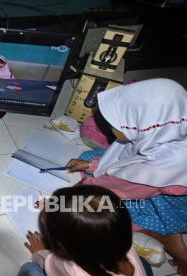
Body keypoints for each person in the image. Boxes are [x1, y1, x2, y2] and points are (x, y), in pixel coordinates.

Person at [67, 78, 187, 275]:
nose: (109, 128)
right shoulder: (167, 130)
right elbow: (125, 161)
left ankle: (177, 249)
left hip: (167, 204)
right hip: (159, 186)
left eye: (115, 124)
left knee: (101, 212)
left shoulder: (158, 167)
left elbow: (106, 189)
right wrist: (92, 165)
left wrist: (65, 199)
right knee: (88, 158)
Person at [18, 185, 148, 276]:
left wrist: (39, 252)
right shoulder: (123, 246)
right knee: (143, 263)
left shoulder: (71, 268)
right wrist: (60, 206)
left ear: (64, 247)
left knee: (30, 269)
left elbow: (49, 262)